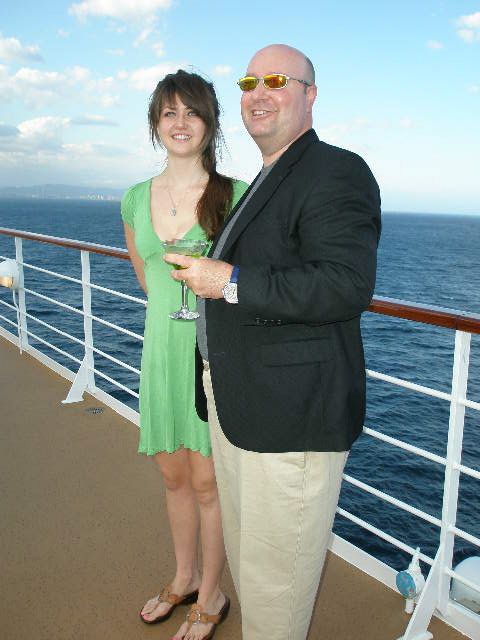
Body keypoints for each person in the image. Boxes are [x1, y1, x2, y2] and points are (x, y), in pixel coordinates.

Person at [164, 45, 381, 639]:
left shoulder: (336, 170)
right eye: (249, 82)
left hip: (290, 422)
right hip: (243, 408)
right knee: (253, 567)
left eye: (278, 80)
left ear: (310, 95)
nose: (259, 93)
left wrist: (228, 280)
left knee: (274, 590)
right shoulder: (267, 177)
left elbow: (345, 285)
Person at [121, 69, 248, 640]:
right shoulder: (134, 199)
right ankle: (184, 577)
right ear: (155, 124)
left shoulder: (236, 196)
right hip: (160, 355)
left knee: (207, 483)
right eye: (169, 112)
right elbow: (148, 282)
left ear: (210, 123)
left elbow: (244, 282)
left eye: (192, 112)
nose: (180, 122)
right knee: (173, 477)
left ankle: (213, 594)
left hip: (210, 359)